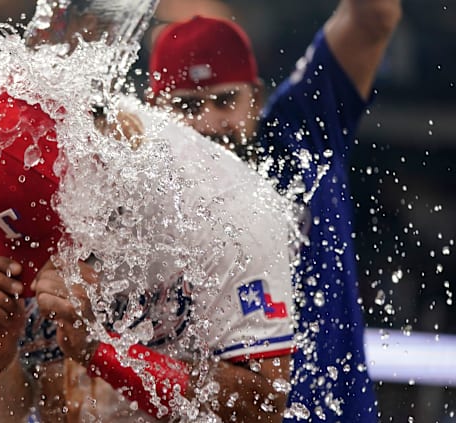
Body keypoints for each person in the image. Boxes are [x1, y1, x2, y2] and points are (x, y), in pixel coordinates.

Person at [0, 0, 299, 421]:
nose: (31, 261)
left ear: (88, 192)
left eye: (46, 240)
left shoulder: (226, 209)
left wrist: (102, 350)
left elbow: (262, 407)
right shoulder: (0, 188)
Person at [148, 3, 401, 421]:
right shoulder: (136, 204)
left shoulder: (302, 134)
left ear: (257, 98)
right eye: (187, 107)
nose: (209, 123)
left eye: (226, 100)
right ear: (153, 110)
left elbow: (376, 15)